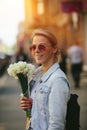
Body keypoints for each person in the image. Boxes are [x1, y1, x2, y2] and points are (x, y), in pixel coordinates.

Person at [20, 29, 70, 130]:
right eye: (33, 47)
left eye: (41, 47)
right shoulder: (36, 75)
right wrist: (32, 104)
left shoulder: (57, 81)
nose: (36, 50)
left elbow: (56, 125)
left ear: (54, 49)